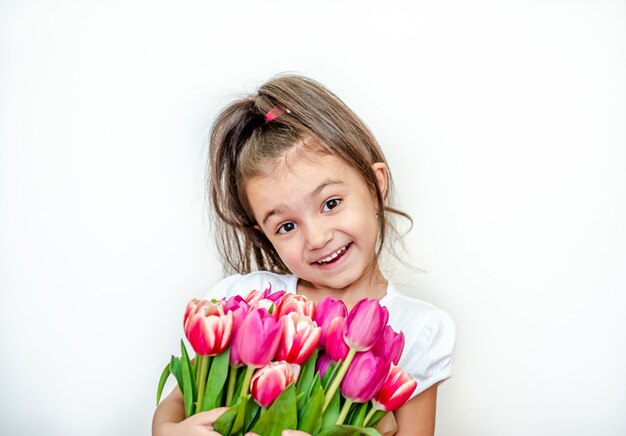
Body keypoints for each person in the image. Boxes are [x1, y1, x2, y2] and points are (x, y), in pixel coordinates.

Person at [152, 75, 455, 436]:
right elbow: (175, 406)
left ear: (375, 186)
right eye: (286, 226)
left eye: (330, 203)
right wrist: (168, 430)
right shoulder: (248, 304)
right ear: (263, 234)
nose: (316, 237)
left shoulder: (418, 331)